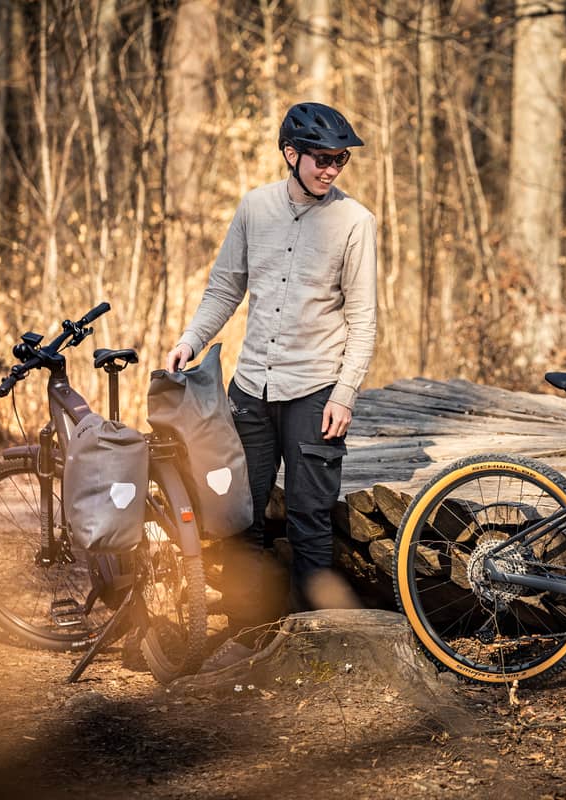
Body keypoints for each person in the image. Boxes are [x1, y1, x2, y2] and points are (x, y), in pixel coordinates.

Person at [165, 102, 377, 672]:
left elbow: (364, 318)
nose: (333, 169)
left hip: (317, 388)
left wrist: (346, 393)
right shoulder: (255, 208)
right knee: (239, 516)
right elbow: (223, 290)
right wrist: (191, 340)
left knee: (310, 519)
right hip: (251, 387)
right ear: (292, 154)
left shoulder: (356, 222)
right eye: (323, 159)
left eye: (341, 160)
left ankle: (310, 651)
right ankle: (248, 635)